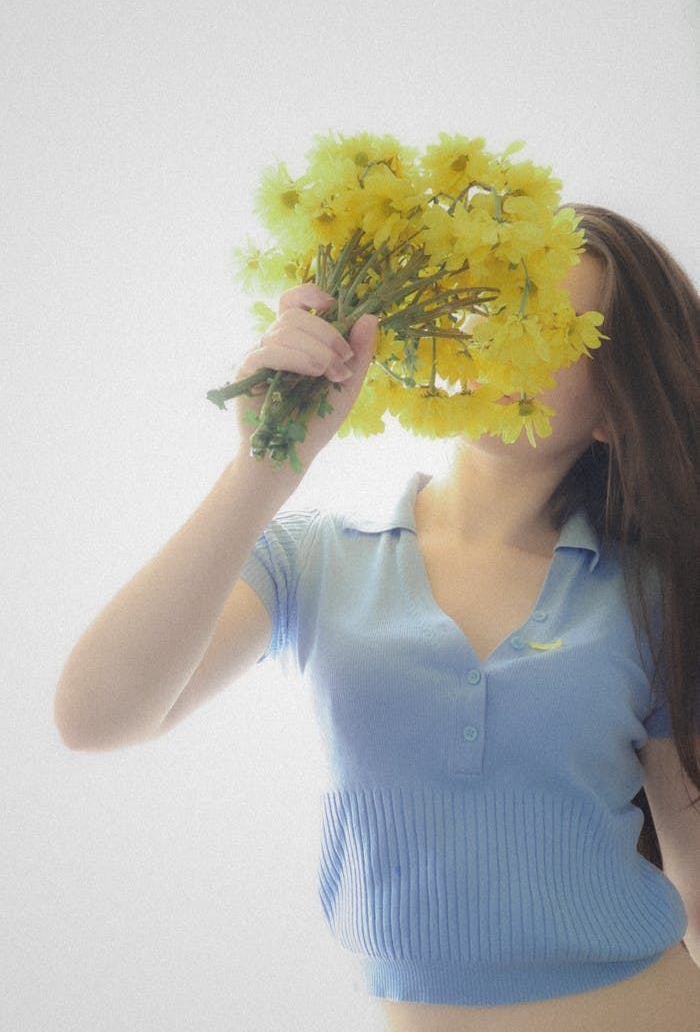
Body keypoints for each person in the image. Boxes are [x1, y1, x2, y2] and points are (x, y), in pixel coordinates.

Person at [55, 205, 700, 1031]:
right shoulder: (314, 559)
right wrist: (265, 463)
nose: (501, 336)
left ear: (615, 407)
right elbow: (96, 717)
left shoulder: (652, 594)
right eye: (498, 303)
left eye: (551, 328)